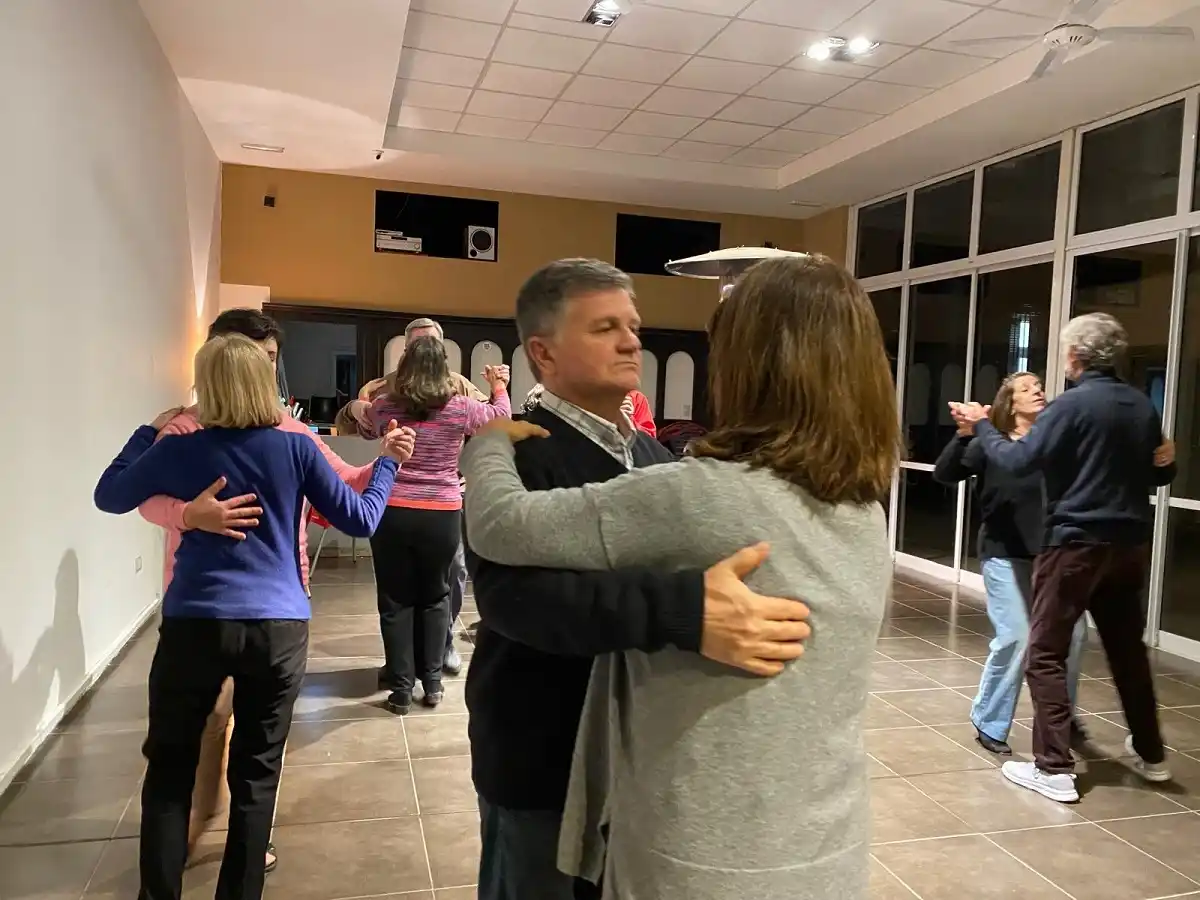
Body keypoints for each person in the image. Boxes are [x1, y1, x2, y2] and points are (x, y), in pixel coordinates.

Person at [465, 256, 881, 900]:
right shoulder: (527, 451)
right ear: (542, 354)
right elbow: (509, 598)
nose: (632, 341)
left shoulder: (657, 458)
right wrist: (681, 609)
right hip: (543, 752)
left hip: (637, 771)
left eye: (633, 324)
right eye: (605, 327)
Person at [94, 334, 413, 900]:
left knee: (169, 772)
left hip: (194, 623)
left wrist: (147, 430)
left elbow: (110, 494)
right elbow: (361, 518)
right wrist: (386, 463)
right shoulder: (295, 447)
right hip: (277, 627)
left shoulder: (178, 447)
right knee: (256, 777)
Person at [138, 308, 379, 871]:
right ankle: (193, 830)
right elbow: (139, 498)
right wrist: (188, 514)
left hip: (278, 598)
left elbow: (343, 485)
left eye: (271, 360)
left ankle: (235, 832)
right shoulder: (180, 429)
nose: (263, 371)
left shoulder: (291, 433)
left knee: (254, 743)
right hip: (198, 600)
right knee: (202, 734)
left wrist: (393, 463)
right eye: (254, 358)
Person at [951, 312, 1178, 804]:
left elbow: (1015, 459)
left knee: (1046, 653)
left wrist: (983, 426)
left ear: (1074, 357)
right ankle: (1152, 755)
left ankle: (1053, 768)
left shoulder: (1072, 405)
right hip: (1129, 548)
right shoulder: (1140, 405)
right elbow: (1160, 475)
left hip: (1075, 545)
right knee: (1128, 655)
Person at [934, 372, 1089, 756]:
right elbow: (946, 474)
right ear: (1009, 403)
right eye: (1026, 388)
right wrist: (966, 433)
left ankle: (1059, 717)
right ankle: (990, 719)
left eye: (1039, 386)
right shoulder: (992, 443)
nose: (1037, 390)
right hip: (1005, 555)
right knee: (1018, 638)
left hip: (1053, 556)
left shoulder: (1055, 444)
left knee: (1074, 636)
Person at [355, 335, 511, 714]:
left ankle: (400, 690)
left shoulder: (387, 405)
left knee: (395, 600)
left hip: (391, 509)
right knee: (436, 596)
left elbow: (365, 417)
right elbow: (500, 419)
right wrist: (499, 387)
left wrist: (365, 402)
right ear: (445, 368)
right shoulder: (461, 408)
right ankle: (434, 683)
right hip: (441, 512)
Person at [338, 315, 492, 678]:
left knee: (450, 574)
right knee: (398, 588)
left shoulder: (460, 387)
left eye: (430, 343)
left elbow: (490, 423)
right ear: (404, 350)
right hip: (396, 496)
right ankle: (402, 663)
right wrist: (358, 408)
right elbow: (356, 424)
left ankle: (441, 647)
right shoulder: (386, 388)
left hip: (448, 493)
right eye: (415, 344)